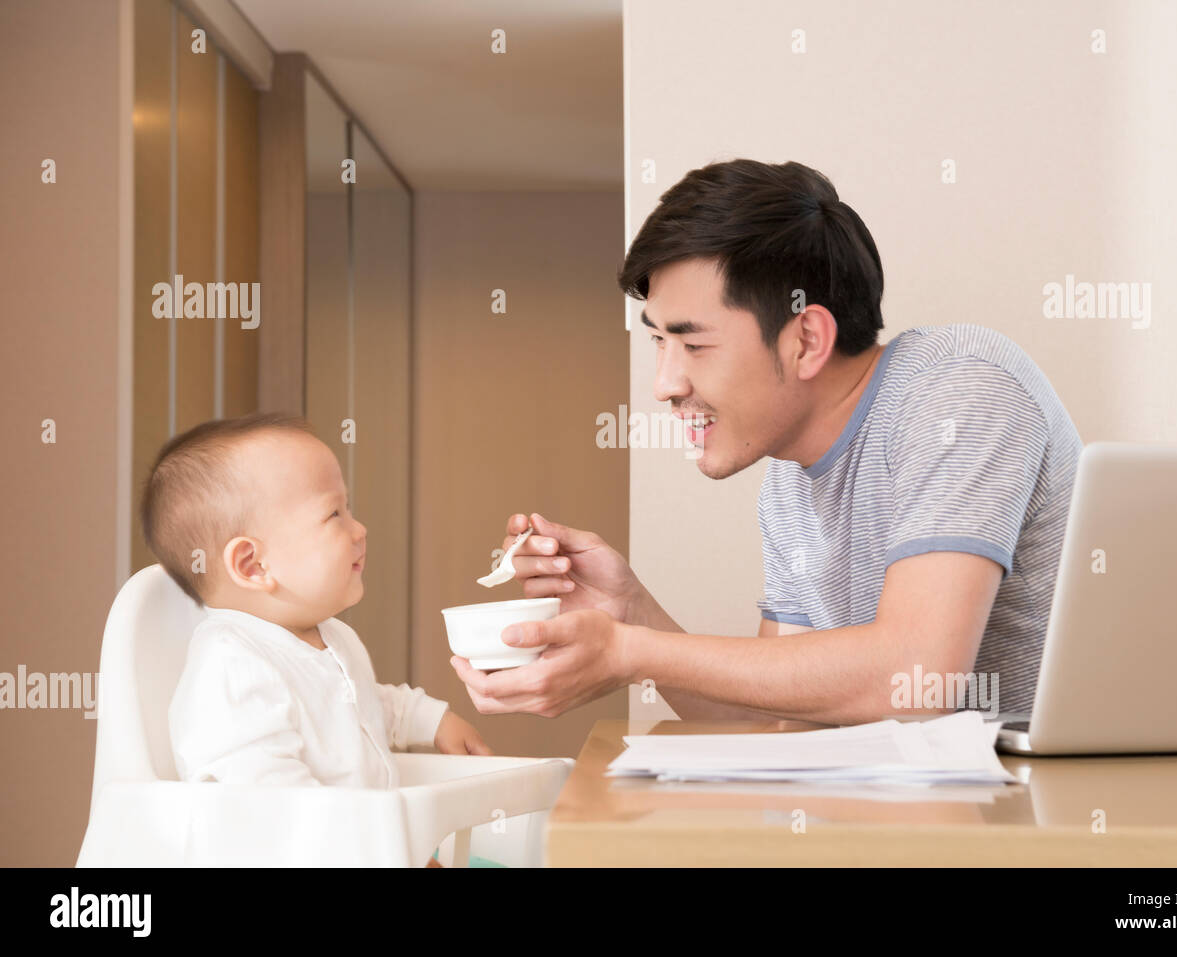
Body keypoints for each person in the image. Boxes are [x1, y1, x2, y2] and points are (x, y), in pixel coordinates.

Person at [449, 158, 1082, 725]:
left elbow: (918, 680)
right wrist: (632, 615)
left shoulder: (959, 390)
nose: (664, 385)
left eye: (694, 344)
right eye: (658, 343)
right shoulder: (788, 479)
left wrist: (630, 653)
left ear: (806, 338)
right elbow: (771, 727)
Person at [142, 412, 490, 792]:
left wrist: (431, 721)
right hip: (310, 850)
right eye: (334, 514)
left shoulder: (330, 637)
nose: (359, 529)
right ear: (254, 564)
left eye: (349, 509)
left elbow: (364, 707)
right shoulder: (232, 667)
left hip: (365, 843)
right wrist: (367, 842)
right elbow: (270, 797)